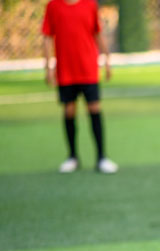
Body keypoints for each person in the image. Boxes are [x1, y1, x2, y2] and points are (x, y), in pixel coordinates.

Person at [42, 0, 118, 174]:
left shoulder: (90, 4)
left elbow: (97, 33)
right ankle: (72, 157)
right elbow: (47, 37)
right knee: (69, 111)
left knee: (94, 109)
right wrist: (48, 67)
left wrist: (107, 59)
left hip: (88, 68)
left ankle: (101, 157)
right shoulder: (53, 6)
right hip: (66, 70)